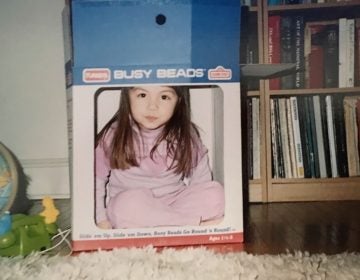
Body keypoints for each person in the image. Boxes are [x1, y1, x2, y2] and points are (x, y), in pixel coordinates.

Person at [95, 85, 224, 229]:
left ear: (178, 101)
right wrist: (100, 219)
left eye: (164, 97)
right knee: (123, 207)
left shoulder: (184, 134)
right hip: (133, 206)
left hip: (175, 202)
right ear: (127, 96)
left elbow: (201, 178)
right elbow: (96, 180)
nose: (152, 106)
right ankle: (193, 224)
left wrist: (202, 198)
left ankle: (167, 223)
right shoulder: (113, 135)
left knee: (216, 193)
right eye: (142, 95)